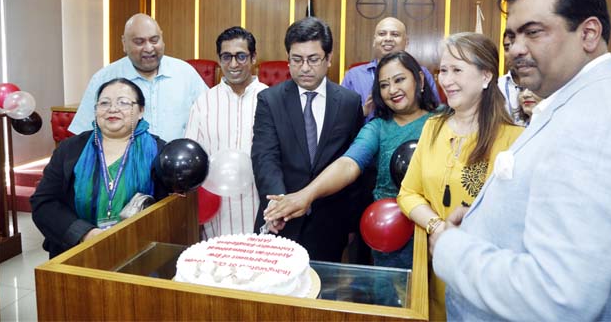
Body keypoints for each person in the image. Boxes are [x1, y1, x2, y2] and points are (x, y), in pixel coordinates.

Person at [431, 0, 611, 321]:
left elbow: (558, 298)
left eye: (534, 32)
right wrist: (486, 219)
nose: (515, 49)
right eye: (511, 37)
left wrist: (451, 250)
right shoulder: (577, 100)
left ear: (588, 33)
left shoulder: (598, 124)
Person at [264, 51, 439, 268]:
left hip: (439, 230)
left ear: (420, 79)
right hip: (390, 235)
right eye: (384, 85)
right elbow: (348, 164)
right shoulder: (378, 127)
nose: (392, 90)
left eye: (399, 80)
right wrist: (305, 196)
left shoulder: (444, 121)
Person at [396, 32, 523, 320]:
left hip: (482, 277)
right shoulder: (433, 127)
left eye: (457, 70)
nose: (446, 79)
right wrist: (437, 226)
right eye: (443, 70)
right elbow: (408, 193)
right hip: (434, 265)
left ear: (486, 76)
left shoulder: (513, 139)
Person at [251, 17, 364, 262]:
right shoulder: (270, 100)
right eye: (297, 59)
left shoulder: (348, 102)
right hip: (279, 221)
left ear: (328, 59)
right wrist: (280, 206)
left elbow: (353, 163)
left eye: (313, 59)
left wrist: (352, 222)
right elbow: (264, 157)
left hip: (330, 223)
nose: (305, 68)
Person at [31, 78, 168, 258]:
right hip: (77, 252)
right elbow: (44, 202)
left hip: (139, 253)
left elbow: (169, 210)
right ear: (96, 110)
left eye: (124, 103)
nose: (113, 109)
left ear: (141, 111)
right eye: (104, 103)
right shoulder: (70, 149)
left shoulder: (160, 152)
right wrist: (84, 234)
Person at [69, 13, 208, 142]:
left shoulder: (185, 73)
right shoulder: (104, 79)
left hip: (177, 163)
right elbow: (85, 133)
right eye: (139, 42)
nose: (149, 48)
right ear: (124, 43)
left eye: (154, 40)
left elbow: (210, 118)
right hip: (124, 166)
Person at [185, 26, 268, 237]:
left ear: (253, 57)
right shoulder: (204, 102)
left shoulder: (271, 99)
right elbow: (193, 160)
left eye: (241, 56)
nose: (233, 64)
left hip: (261, 208)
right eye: (226, 57)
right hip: (217, 215)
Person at [342, 16, 440, 119]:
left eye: (395, 34)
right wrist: (363, 112)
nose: (388, 38)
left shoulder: (421, 72)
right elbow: (341, 117)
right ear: (374, 41)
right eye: (382, 34)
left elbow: (434, 111)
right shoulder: (354, 75)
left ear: (406, 42)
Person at [497, 30, 522, 124]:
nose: (512, 53)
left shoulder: (545, 87)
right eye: (507, 48)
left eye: (517, 46)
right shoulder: (497, 86)